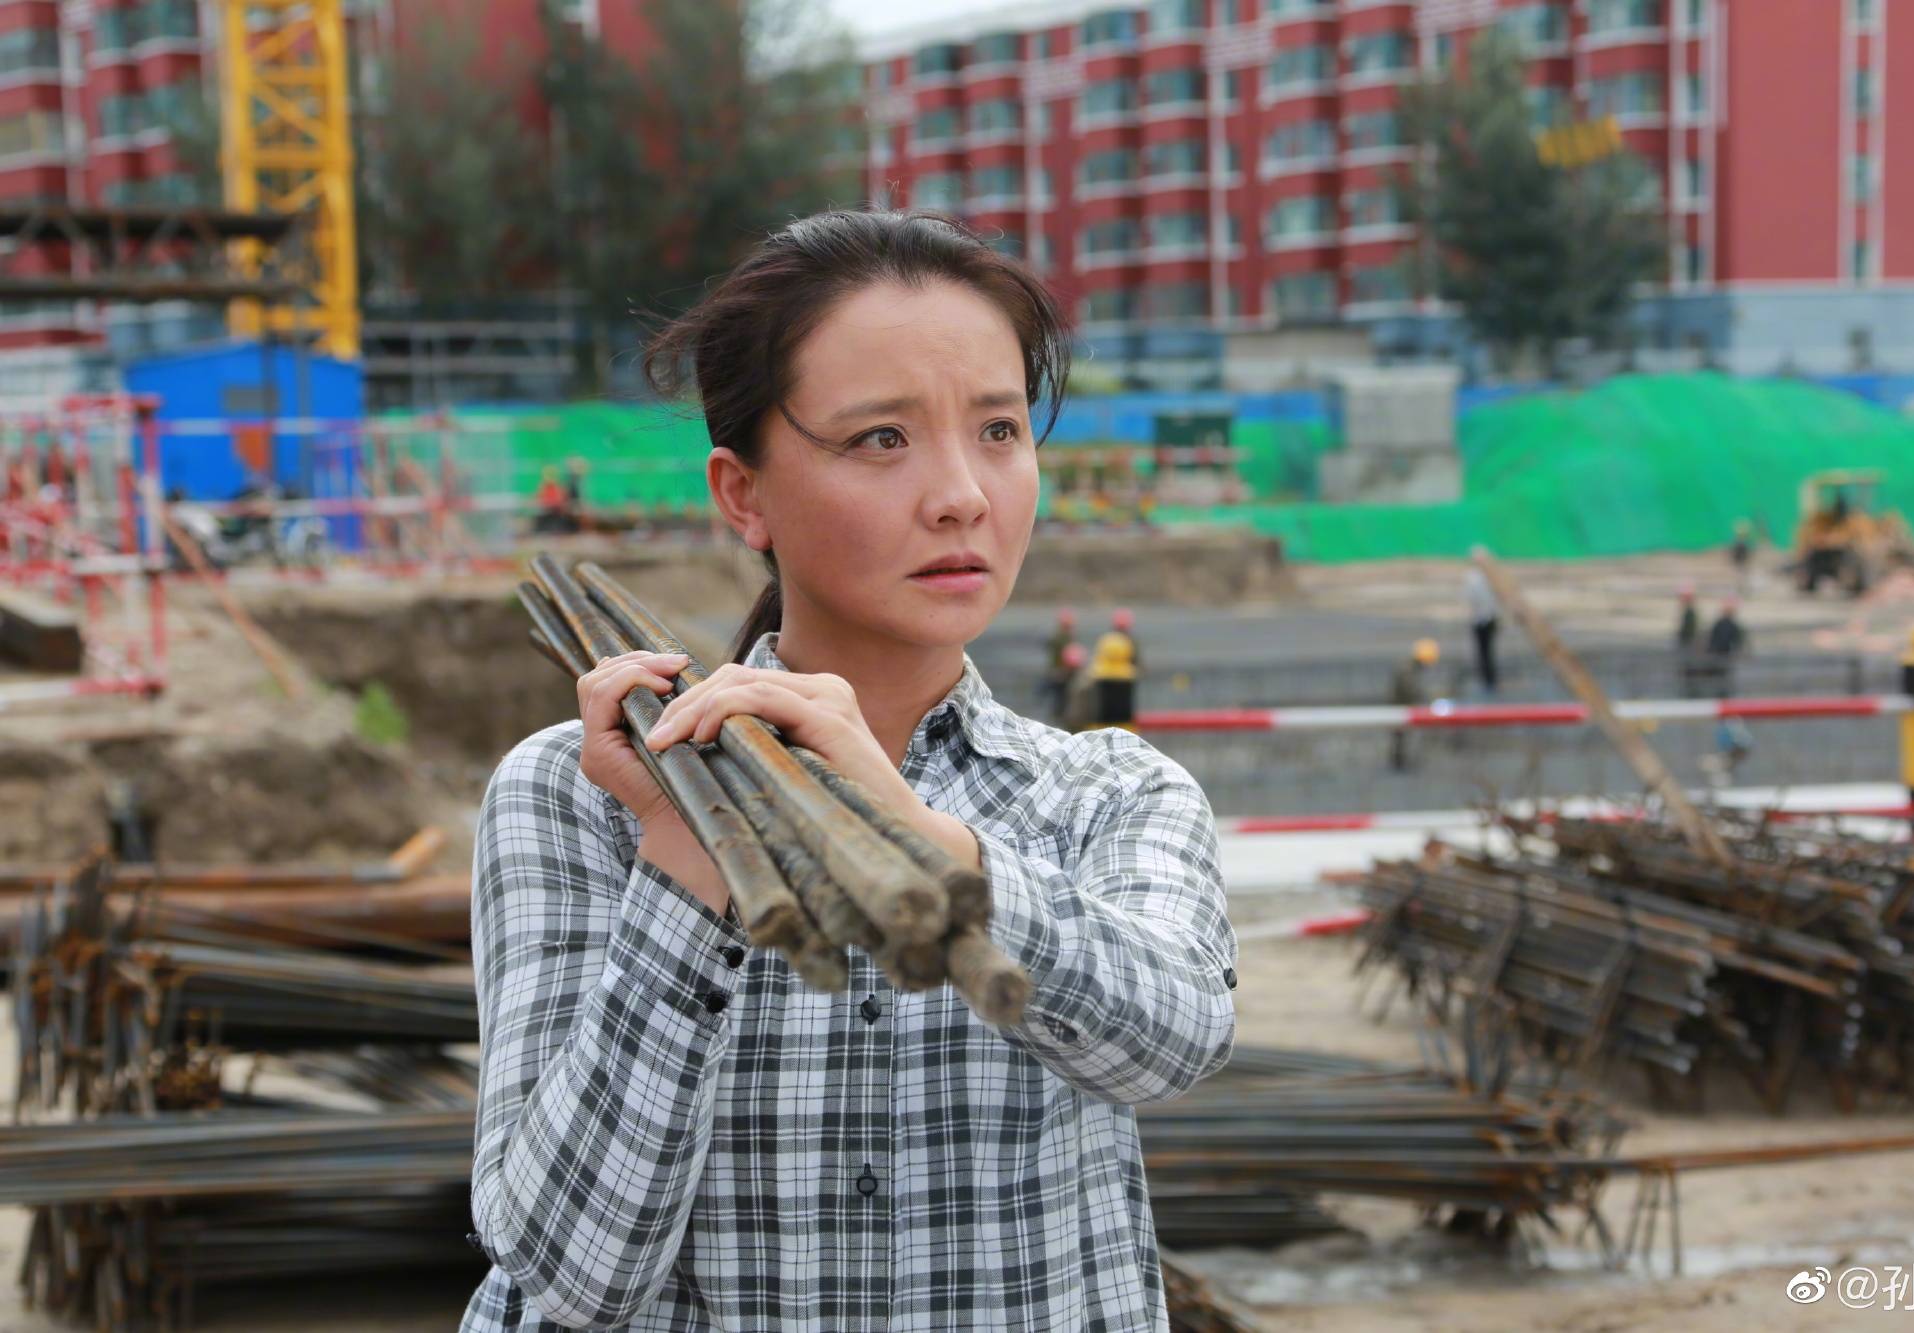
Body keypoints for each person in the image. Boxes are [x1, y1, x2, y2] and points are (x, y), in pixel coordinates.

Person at [462, 209, 1235, 1333]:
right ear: (744, 494)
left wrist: (916, 830)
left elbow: (1174, 1041)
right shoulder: (584, 790)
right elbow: (572, 1271)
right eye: (882, 438)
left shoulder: (1105, 793)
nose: (962, 493)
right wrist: (685, 851)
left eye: (999, 429)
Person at [1388, 638, 1439, 771]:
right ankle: (1398, 762)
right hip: (1400, 706)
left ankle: (1400, 761)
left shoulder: (1410, 668)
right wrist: (1421, 700)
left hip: (1401, 705)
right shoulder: (1408, 670)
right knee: (1400, 735)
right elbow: (1409, 690)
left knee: (1401, 735)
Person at [1466, 548, 1500, 695]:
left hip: (1486, 619)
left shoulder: (1484, 577)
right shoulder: (1478, 577)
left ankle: (1489, 681)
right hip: (1482, 619)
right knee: (1484, 652)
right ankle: (1487, 680)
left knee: (1486, 651)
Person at [1704, 595, 1748, 698]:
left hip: (1723, 657)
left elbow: (1738, 641)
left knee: (1722, 681)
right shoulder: (1722, 624)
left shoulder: (1728, 624)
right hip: (1720, 657)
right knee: (1720, 681)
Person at [1041, 606, 1077, 718]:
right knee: (1060, 698)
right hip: (1061, 672)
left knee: (1059, 697)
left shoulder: (1059, 636)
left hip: (1059, 671)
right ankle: (1059, 715)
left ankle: (1057, 714)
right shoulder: (1062, 637)